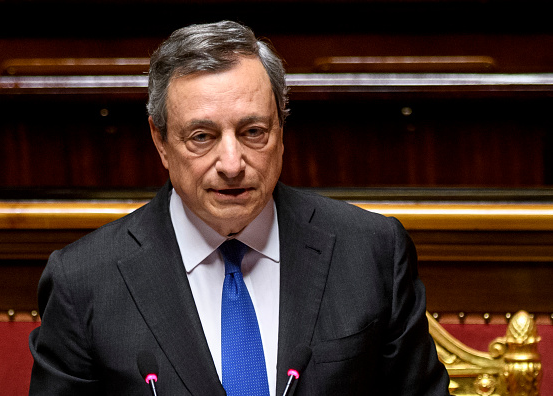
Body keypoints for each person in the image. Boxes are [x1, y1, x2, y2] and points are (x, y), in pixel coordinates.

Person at [29, 20, 451, 395]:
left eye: (253, 132)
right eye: (202, 136)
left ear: (281, 132)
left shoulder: (372, 253)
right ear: (160, 141)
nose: (232, 164)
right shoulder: (83, 282)